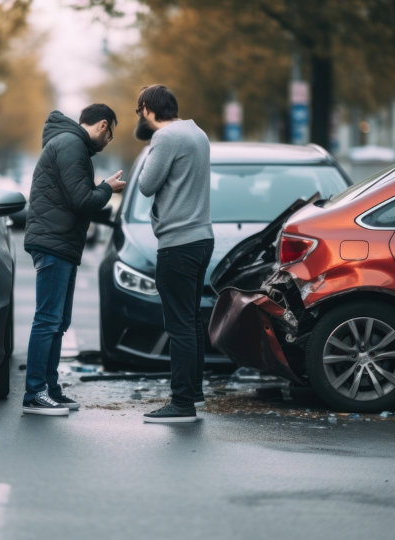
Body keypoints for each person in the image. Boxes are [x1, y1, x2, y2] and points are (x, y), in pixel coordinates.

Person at [22, 105, 126, 416]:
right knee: (48, 320)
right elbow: (82, 200)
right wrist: (108, 187)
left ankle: (49, 389)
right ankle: (35, 393)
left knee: (58, 322)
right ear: (103, 125)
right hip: (54, 242)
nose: (108, 141)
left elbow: (72, 197)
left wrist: (103, 199)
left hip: (60, 242)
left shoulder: (68, 143)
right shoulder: (71, 145)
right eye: (110, 135)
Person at [134, 85, 214, 423]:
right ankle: (192, 391)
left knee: (178, 324)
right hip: (201, 237)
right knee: (192, 320)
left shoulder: (166, 138)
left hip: (177, 242)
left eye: (140, 112)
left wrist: (151, 152)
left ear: (148, 109)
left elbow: (146, 184)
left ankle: (182, 403)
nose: (140, 118)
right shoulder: (198, 134)